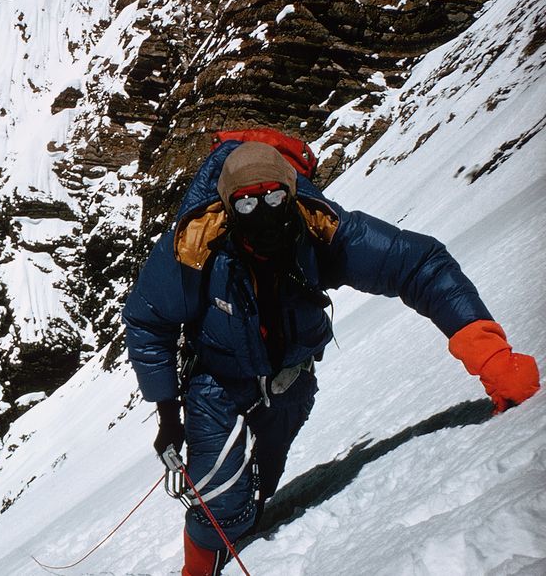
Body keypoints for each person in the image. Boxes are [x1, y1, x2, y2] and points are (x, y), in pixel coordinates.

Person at [122, 138, 540, 576]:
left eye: (274, 197)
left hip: (289, 381)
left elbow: (420, 266)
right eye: (246, 204)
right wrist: (169, 414)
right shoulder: (192, 250)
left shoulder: (322, 231)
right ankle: (199, 569)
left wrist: (492, 358)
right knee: (223, 500)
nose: (262, 212)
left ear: (292, 193)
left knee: (256, 493)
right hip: (216, 384)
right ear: (227, 208)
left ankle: (241, 531)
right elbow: (148, 322)